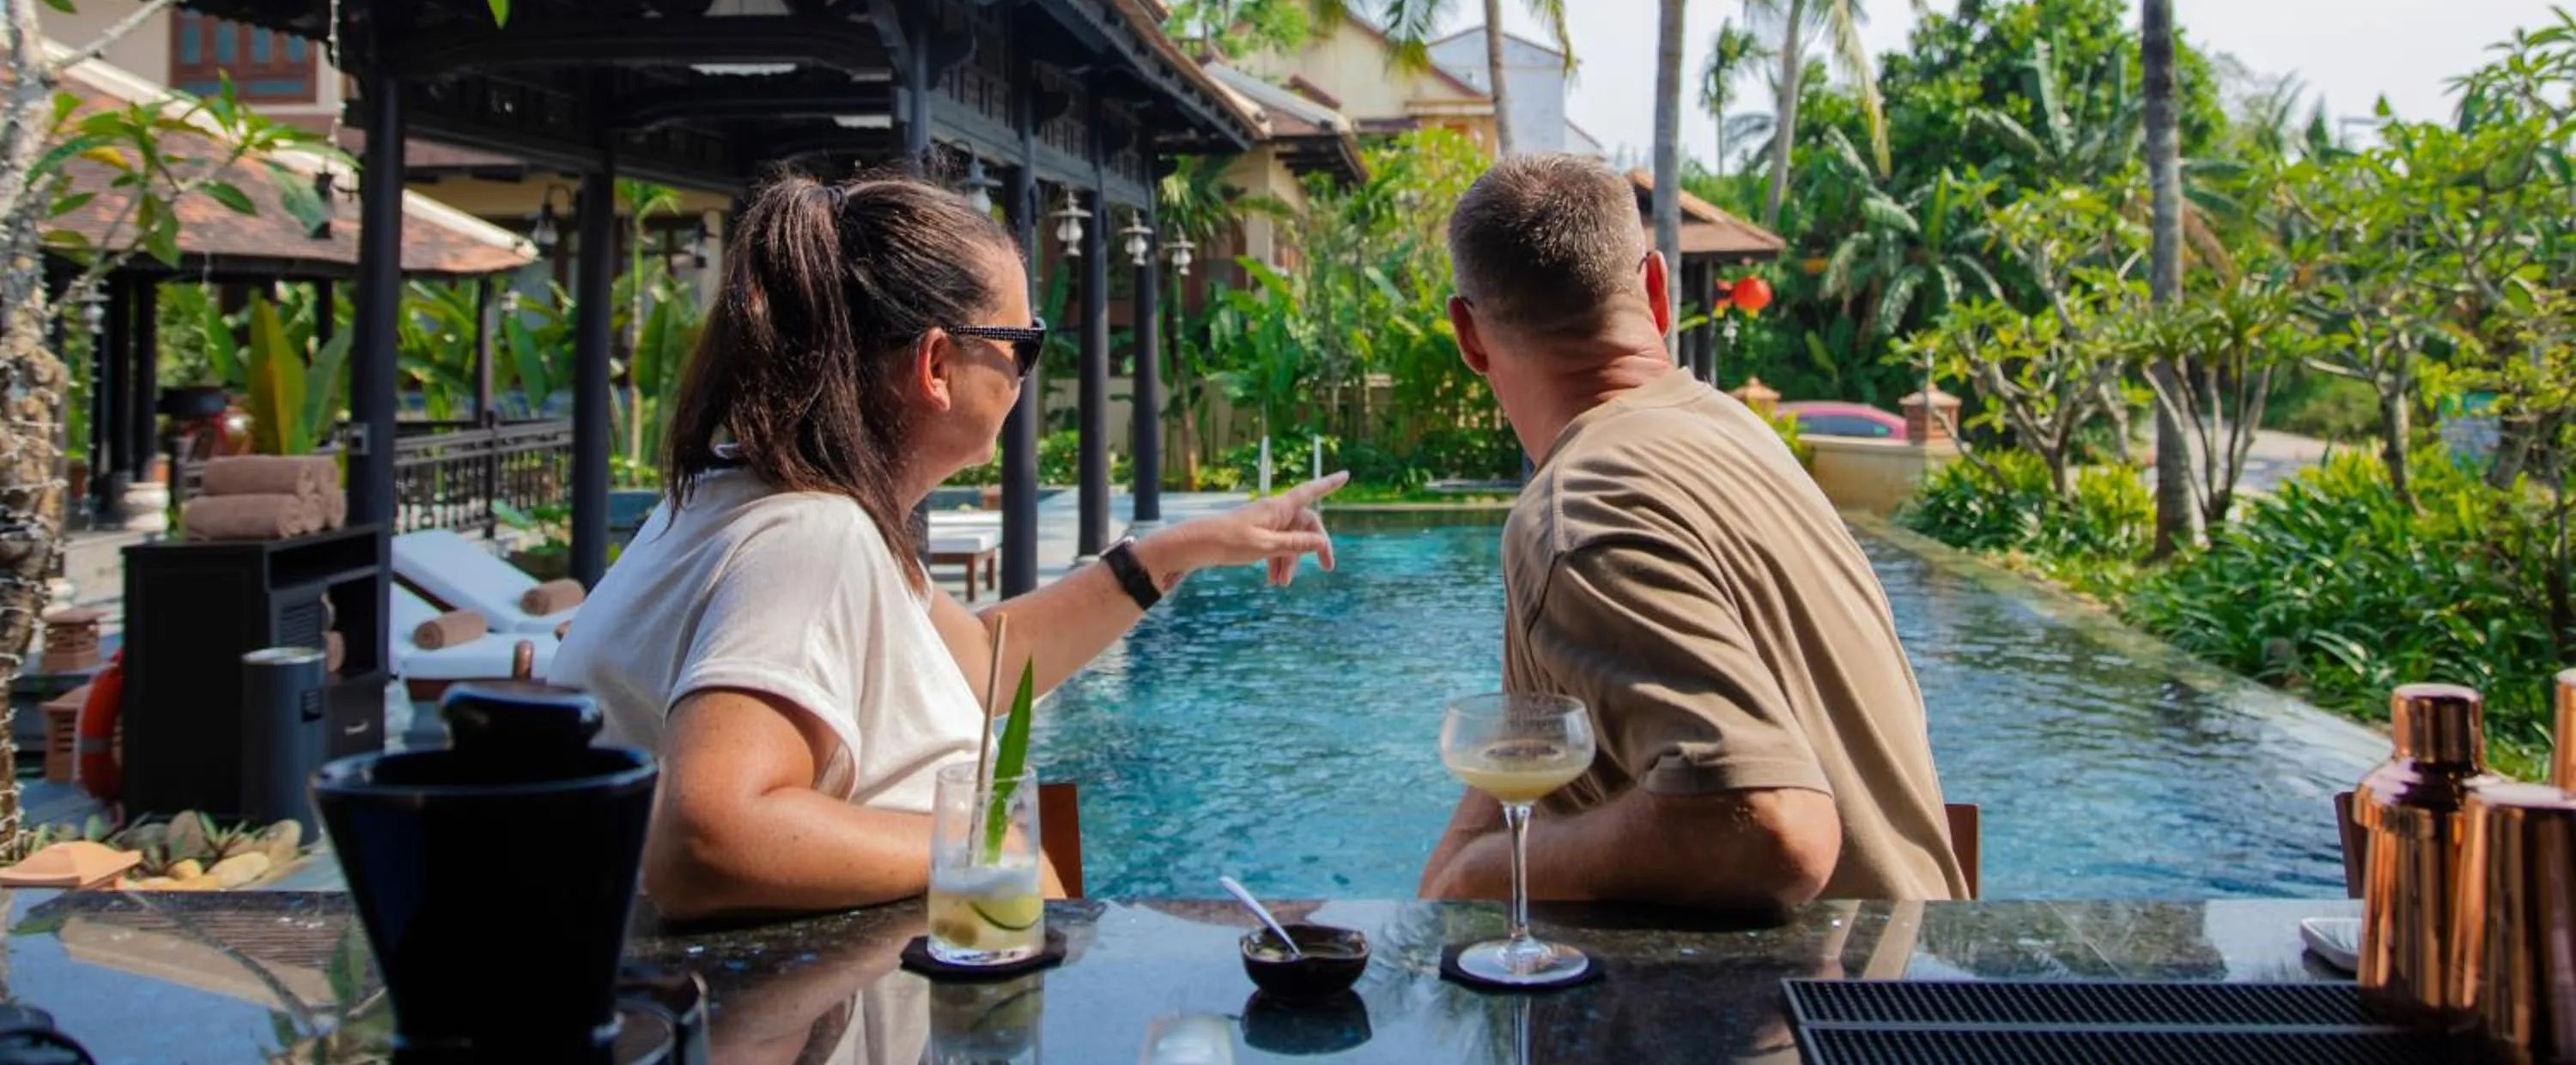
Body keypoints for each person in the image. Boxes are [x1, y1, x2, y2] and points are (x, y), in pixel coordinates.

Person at [550, 171, 1343, 920]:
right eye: (1020, 346)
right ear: (936, 364)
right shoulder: (811, 538)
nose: (1024, 375)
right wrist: (989, 850)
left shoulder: (761, 503)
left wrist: (1184, 549)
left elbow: (983, 669)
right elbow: (706, 839)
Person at [1417, 154, 1965, 907]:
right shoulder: (1735, 436)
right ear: (1656, 290)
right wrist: (1459, 863)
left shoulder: (1577, 514)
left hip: (1814, 1008)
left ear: (1468, 337)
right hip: (1918, 977)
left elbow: (1773, 829)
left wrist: (1485, 874)